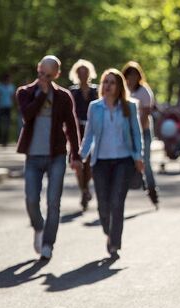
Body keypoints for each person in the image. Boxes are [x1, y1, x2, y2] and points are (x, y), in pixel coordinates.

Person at [16, 55, 83, 260]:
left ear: (56, 74)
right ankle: (39, 227)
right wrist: (41, 96)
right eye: (41, 73)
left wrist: (76, 154)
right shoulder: (25, 92)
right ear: (38, 70)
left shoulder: (63, 96)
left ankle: (48, 244)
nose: (44, 78)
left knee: (54, 202)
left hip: (56, 155)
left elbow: (71, 127)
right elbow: (27, 115)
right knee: (31, 199)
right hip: (33, 156)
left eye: (48, 75)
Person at [80, 69, 143, 257]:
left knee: (117, 202)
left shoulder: (129, 107)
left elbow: (136, 133)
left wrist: (138, 157)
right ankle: (109, 232)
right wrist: (80, 155)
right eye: (105, 82)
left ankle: (115, 242)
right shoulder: (95, 107)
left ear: (119, 86)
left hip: (123, 161)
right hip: (100, 162)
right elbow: (89, 134)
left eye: (112, 82)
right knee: (103, 205)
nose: (107, 86)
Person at [123, 61, 159, 207]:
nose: (131, 78)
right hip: (125, 132)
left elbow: (144, 116)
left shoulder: (144, 91)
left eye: (134, 75)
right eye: (129, 75)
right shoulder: (123, 91)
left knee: (145, 161)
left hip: (142, 131)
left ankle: (152, 189)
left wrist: (137, 135)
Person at [69, 59, 99, 211]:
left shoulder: (96, 90)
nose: (82, 75)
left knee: (91, 165)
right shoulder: (72, 92)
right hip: (77, 131)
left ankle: (86, 187)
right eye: (79, 72)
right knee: (78, 163)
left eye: (85, 72)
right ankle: (84, 190)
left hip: (93, 131)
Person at [0, 72, 15, 147]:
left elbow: (13, 97)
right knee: (1, 124)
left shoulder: (11, 86)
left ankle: (5, 141)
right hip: (1, 107)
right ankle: (2, 139)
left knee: (7, 124)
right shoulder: (0, 86)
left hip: (8, 107)